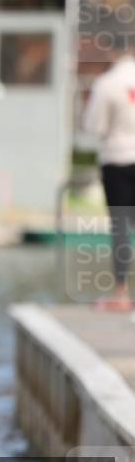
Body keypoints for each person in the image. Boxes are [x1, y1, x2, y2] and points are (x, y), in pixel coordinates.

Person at [83, 48, 135, 312]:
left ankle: (121, 292)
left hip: (117, 159)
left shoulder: (107, 83)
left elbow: (95, 126)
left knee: (120, 227)